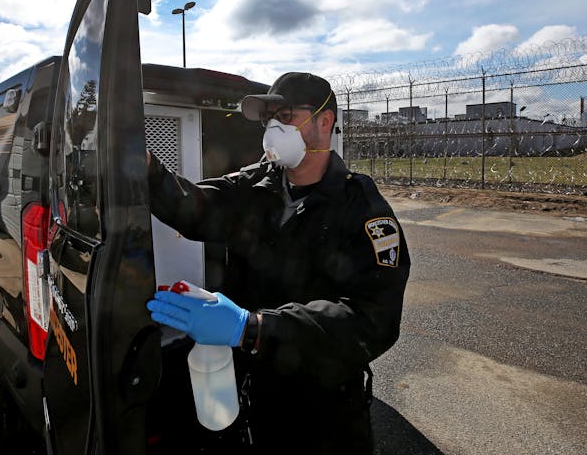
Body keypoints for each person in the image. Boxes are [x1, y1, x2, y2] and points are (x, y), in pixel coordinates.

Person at [146, 72, 410, 454]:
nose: (273, 128)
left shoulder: (362, 209)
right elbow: (197, 208)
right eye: (269, 118)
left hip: (322, 412)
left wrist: (254, 328)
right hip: (256, 393)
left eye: (286, 116)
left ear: (324, 121)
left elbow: (373, 320)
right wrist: (148, 169)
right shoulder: (258, 186)